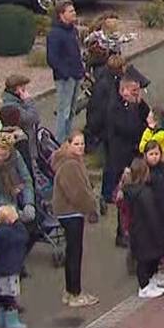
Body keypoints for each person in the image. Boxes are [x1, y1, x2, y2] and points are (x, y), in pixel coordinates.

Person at [51, 131, 100, 308]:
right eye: (76, 144)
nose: (80, 147)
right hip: (71, 212)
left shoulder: (70, 161)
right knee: (74, 253)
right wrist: (91, 209)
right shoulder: (70, 165)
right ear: (68, 144)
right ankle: (75, 292)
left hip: (68, 212)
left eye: (82, 144)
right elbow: (77, 193)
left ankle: (70, 291)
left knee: (72, 251)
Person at [123, 158, 164, 299]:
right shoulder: (144, 193)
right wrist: (159, 231)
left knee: (147, 257)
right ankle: (144, 286)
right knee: (145, 259)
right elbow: (151, 213)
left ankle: (149, 281)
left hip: (139, 229)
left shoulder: (133, 190)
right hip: (146, 230)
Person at [104, 75, 149, 221]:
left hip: (133, 155)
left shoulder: (134, 105)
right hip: (122, 158)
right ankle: (122, 231)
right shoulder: (116, 108)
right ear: (123, 91)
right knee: (124, 196)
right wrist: (135, 107)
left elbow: (147, 117)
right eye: (134, 90)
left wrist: (140, 104)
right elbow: (131, 128)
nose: (137, 93)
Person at [46, 1, 84, 142]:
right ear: (61, 15)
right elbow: (52, 58)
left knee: (72, 110)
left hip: (76, 75)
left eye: (74, 10)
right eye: (70, 11)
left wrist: (81, 70)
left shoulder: (73, 31)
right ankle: (60, 141)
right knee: (64, 111)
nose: (74, 13)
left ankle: (68, 138)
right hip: (64, 79)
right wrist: (65, 73)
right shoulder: (55, 34)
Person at [0, 131, 36, 228]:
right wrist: (16, 212)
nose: (0, 158)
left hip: (16, 199)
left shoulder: (16, 157)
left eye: (4, 155)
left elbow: (26, 179)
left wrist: (29, 203)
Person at [0, 205, 28, 328]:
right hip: (11, 269)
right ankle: (12, 321)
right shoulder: (12, 232)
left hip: (0, 268)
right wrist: (17, 223)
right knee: (10, 295)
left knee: (1, 294)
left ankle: (1, 320)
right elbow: (24, 237)